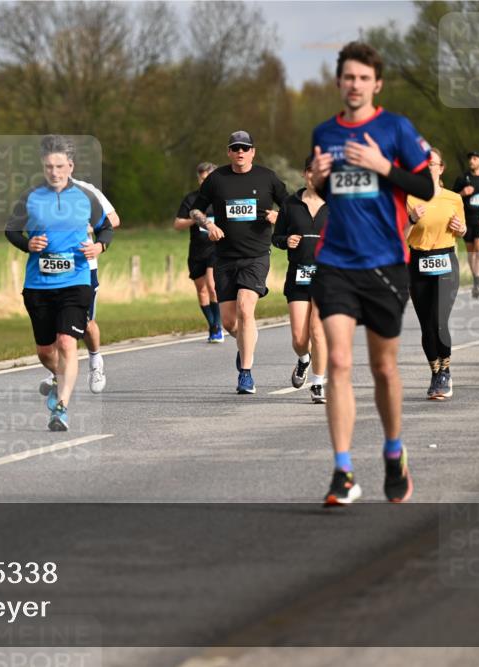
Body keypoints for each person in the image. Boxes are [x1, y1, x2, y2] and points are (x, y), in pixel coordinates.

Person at [309, 41, 434, 506]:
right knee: (339, 362)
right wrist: (319, 180)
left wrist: (385, 167)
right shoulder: (324, 132)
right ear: (339, 82)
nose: (355, 85)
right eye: (349, 77)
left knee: (383, 367)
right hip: (336, 261)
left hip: (385, 264)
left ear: (375, 84)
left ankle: (393, 450)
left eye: (364, 78)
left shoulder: (395, 128)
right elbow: (331, 191)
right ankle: (342, 471)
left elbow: (426, 185)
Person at [7, 136, 113, 431]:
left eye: (59, 166)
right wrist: (27, 244)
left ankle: (62, 408)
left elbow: (106, 228)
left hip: (75, 281)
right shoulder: (30, 196)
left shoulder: (85, 197)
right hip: (38, 284)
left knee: (67, 342)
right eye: (48, 166)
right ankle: (62, 379)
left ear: (70, 166)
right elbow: (11, 230)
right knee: (45, 351)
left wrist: (99, 247)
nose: (54, 172)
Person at [190, 131, 288, 393]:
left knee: (246, 309)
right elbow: (195, 209)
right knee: (230, 323)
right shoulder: (216, 179)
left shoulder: (267, 177)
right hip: (224, 257)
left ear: (253, 151)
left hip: (256, 256)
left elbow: (291, 206)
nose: (240, 152)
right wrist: (207, 223)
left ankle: (245, 373)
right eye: (235, 148)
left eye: (245, 147)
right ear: (229, 152)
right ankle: (245, 345)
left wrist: (279, 216)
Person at [45, 176, 120, 394]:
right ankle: (56, 373)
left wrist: (86, 226)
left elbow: (113, 219)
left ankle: (96, 361)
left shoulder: (87, 191)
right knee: (54, 322)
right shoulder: (41, 192)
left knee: (85, 322)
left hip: (82, 265)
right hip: (51, 264)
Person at [406, 148, 466, 401]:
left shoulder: (454, 198)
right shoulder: (408, 198)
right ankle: (435, 372)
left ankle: (446, 372)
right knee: (426, 325)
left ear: (441, 168)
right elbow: (398, 235)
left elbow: (461, 231)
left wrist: (462, 229)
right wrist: (410, 219)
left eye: (432, 164)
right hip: (418, 261)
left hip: (445, 261)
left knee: (439, 319)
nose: (427, 168)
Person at [271, 155, 329, 403]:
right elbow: (276, 237)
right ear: (306, 174)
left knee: (318, 329)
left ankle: (318, 383)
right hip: (298, 274)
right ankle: (304, 360)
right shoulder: (290, 204)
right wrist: (287, 241)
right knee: (299, 337)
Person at [174, 162, 224, 343]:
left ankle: (218, 326)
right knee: (202, 291)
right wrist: (195, 220)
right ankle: (211, 325)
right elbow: (177, 224)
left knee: (212, 286)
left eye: (208, 179)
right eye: (202, 179)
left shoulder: (220, 199)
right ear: (198, 179)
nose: (205, 182)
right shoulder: (191, 200)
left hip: (215, 249)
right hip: (196, 250)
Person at [452, 151, 479, 299]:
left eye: (475, 159)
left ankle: (478, 281)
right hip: (466, 220)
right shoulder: (463, 179)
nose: (471, 161)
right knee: (470, 252)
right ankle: (476, 280)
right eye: (470, 158)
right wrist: (462, 193)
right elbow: (451, 197)